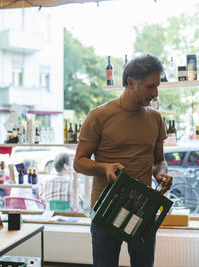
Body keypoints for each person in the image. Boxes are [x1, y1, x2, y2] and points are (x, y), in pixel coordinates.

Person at [73, 54, 173, 267]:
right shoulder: (99, 116)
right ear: (131, 83)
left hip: (142, 207)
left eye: (157, 86)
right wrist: (104, 168)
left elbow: (159, 161)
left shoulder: (155, 118)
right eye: (150, 86)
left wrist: (160, 174)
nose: (155, 93)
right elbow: (79, 162)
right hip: (106, 207)